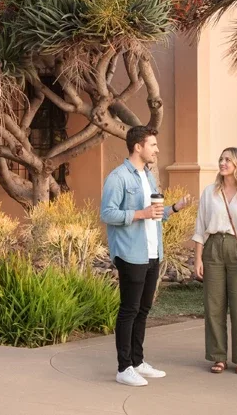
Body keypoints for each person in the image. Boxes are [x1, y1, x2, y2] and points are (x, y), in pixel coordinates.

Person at [99, 125, 188, 387]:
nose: (157, 150)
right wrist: (140, 214)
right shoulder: (118, 177)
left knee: (144, 309)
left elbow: (154, 213)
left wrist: (174, 208)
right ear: (138, 147)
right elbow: (107, 214)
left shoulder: (147, 176)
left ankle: (137, 361)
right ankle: (123, 367)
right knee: (129, 309)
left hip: (152, 252)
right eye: (153, 145)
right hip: (130, 253)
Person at [192, 146, 237, 374]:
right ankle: (218, 356)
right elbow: (200, 228)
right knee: (213, 306)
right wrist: (198, 259)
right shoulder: (209, 192)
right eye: (221, 159)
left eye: (228, 160)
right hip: (213, 247)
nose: (222, 163)